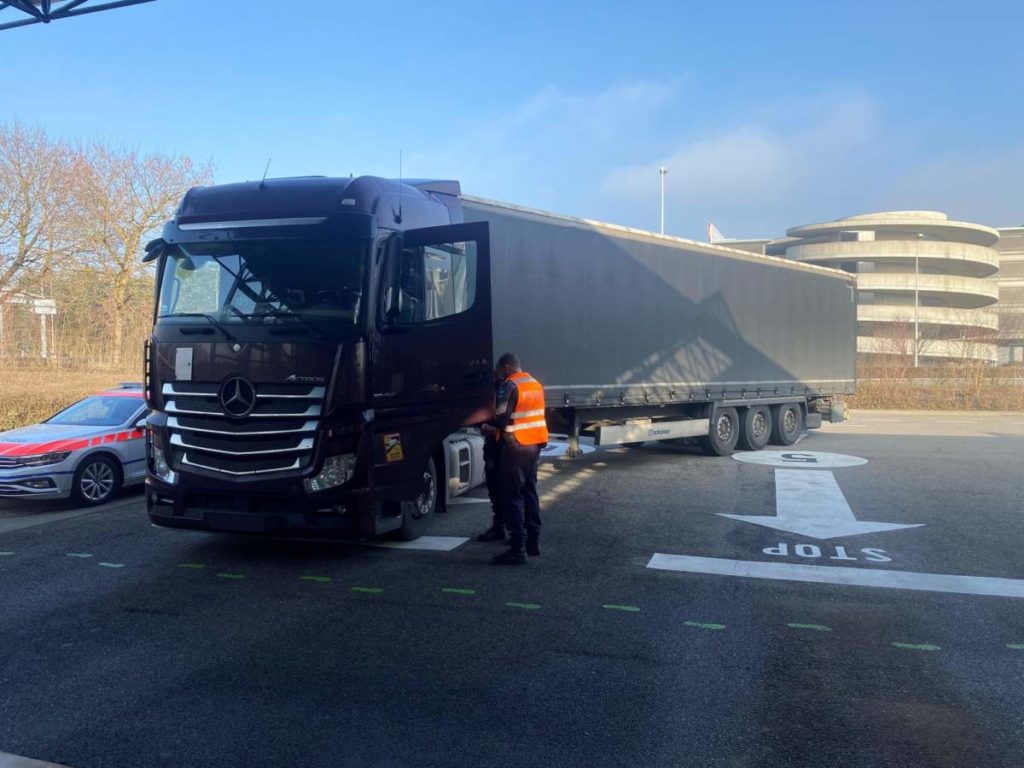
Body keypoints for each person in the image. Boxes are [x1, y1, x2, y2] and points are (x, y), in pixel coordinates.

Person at [486, 352, 548, 565]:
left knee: (512, 495)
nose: (496, 371)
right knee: (530, 491)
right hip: (535, 444)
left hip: (516, 445)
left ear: (506, 366)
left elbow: (501, 418)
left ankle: (517, 549)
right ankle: (533, 542)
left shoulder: (509, 386)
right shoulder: (535, 384)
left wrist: (488, 427)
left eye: (498, 367)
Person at [476, 373, 506, 542]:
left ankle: (506, 529)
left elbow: (502, 423)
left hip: (500, 446)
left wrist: (489, 428)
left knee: (501, 489)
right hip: (499, 446)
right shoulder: (504, 388)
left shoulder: (505, 391)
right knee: (497, 490)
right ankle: (502, 527)